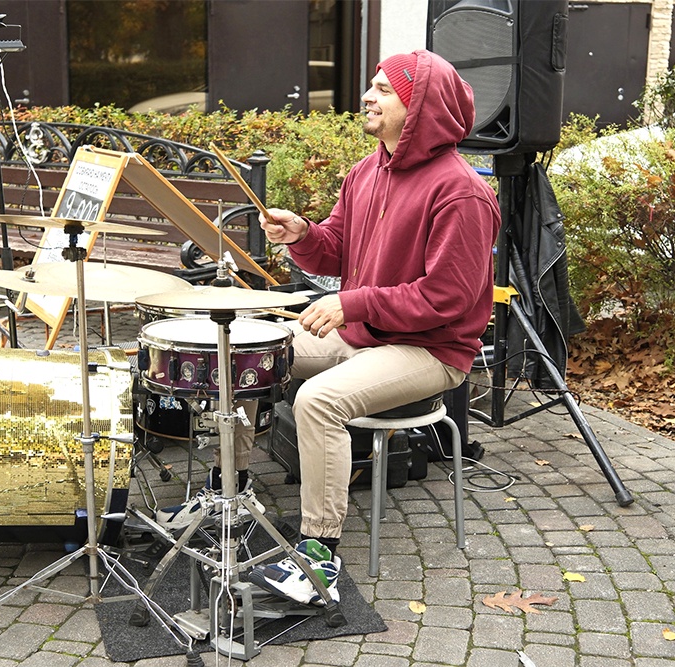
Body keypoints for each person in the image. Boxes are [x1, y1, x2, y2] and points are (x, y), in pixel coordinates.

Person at [159, 50, 501, 607]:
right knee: (243, 351)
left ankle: (319, 558)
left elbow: (449, 299)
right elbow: (335, 250)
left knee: (318, 401)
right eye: (372, 86)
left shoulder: (460, 191)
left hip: (431, 349)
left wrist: (353, 303)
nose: (368, 97)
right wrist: (302, 234)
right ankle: (231, 496)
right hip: (366, 334)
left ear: (419, 108)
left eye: (384, 90)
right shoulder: (368, 170)